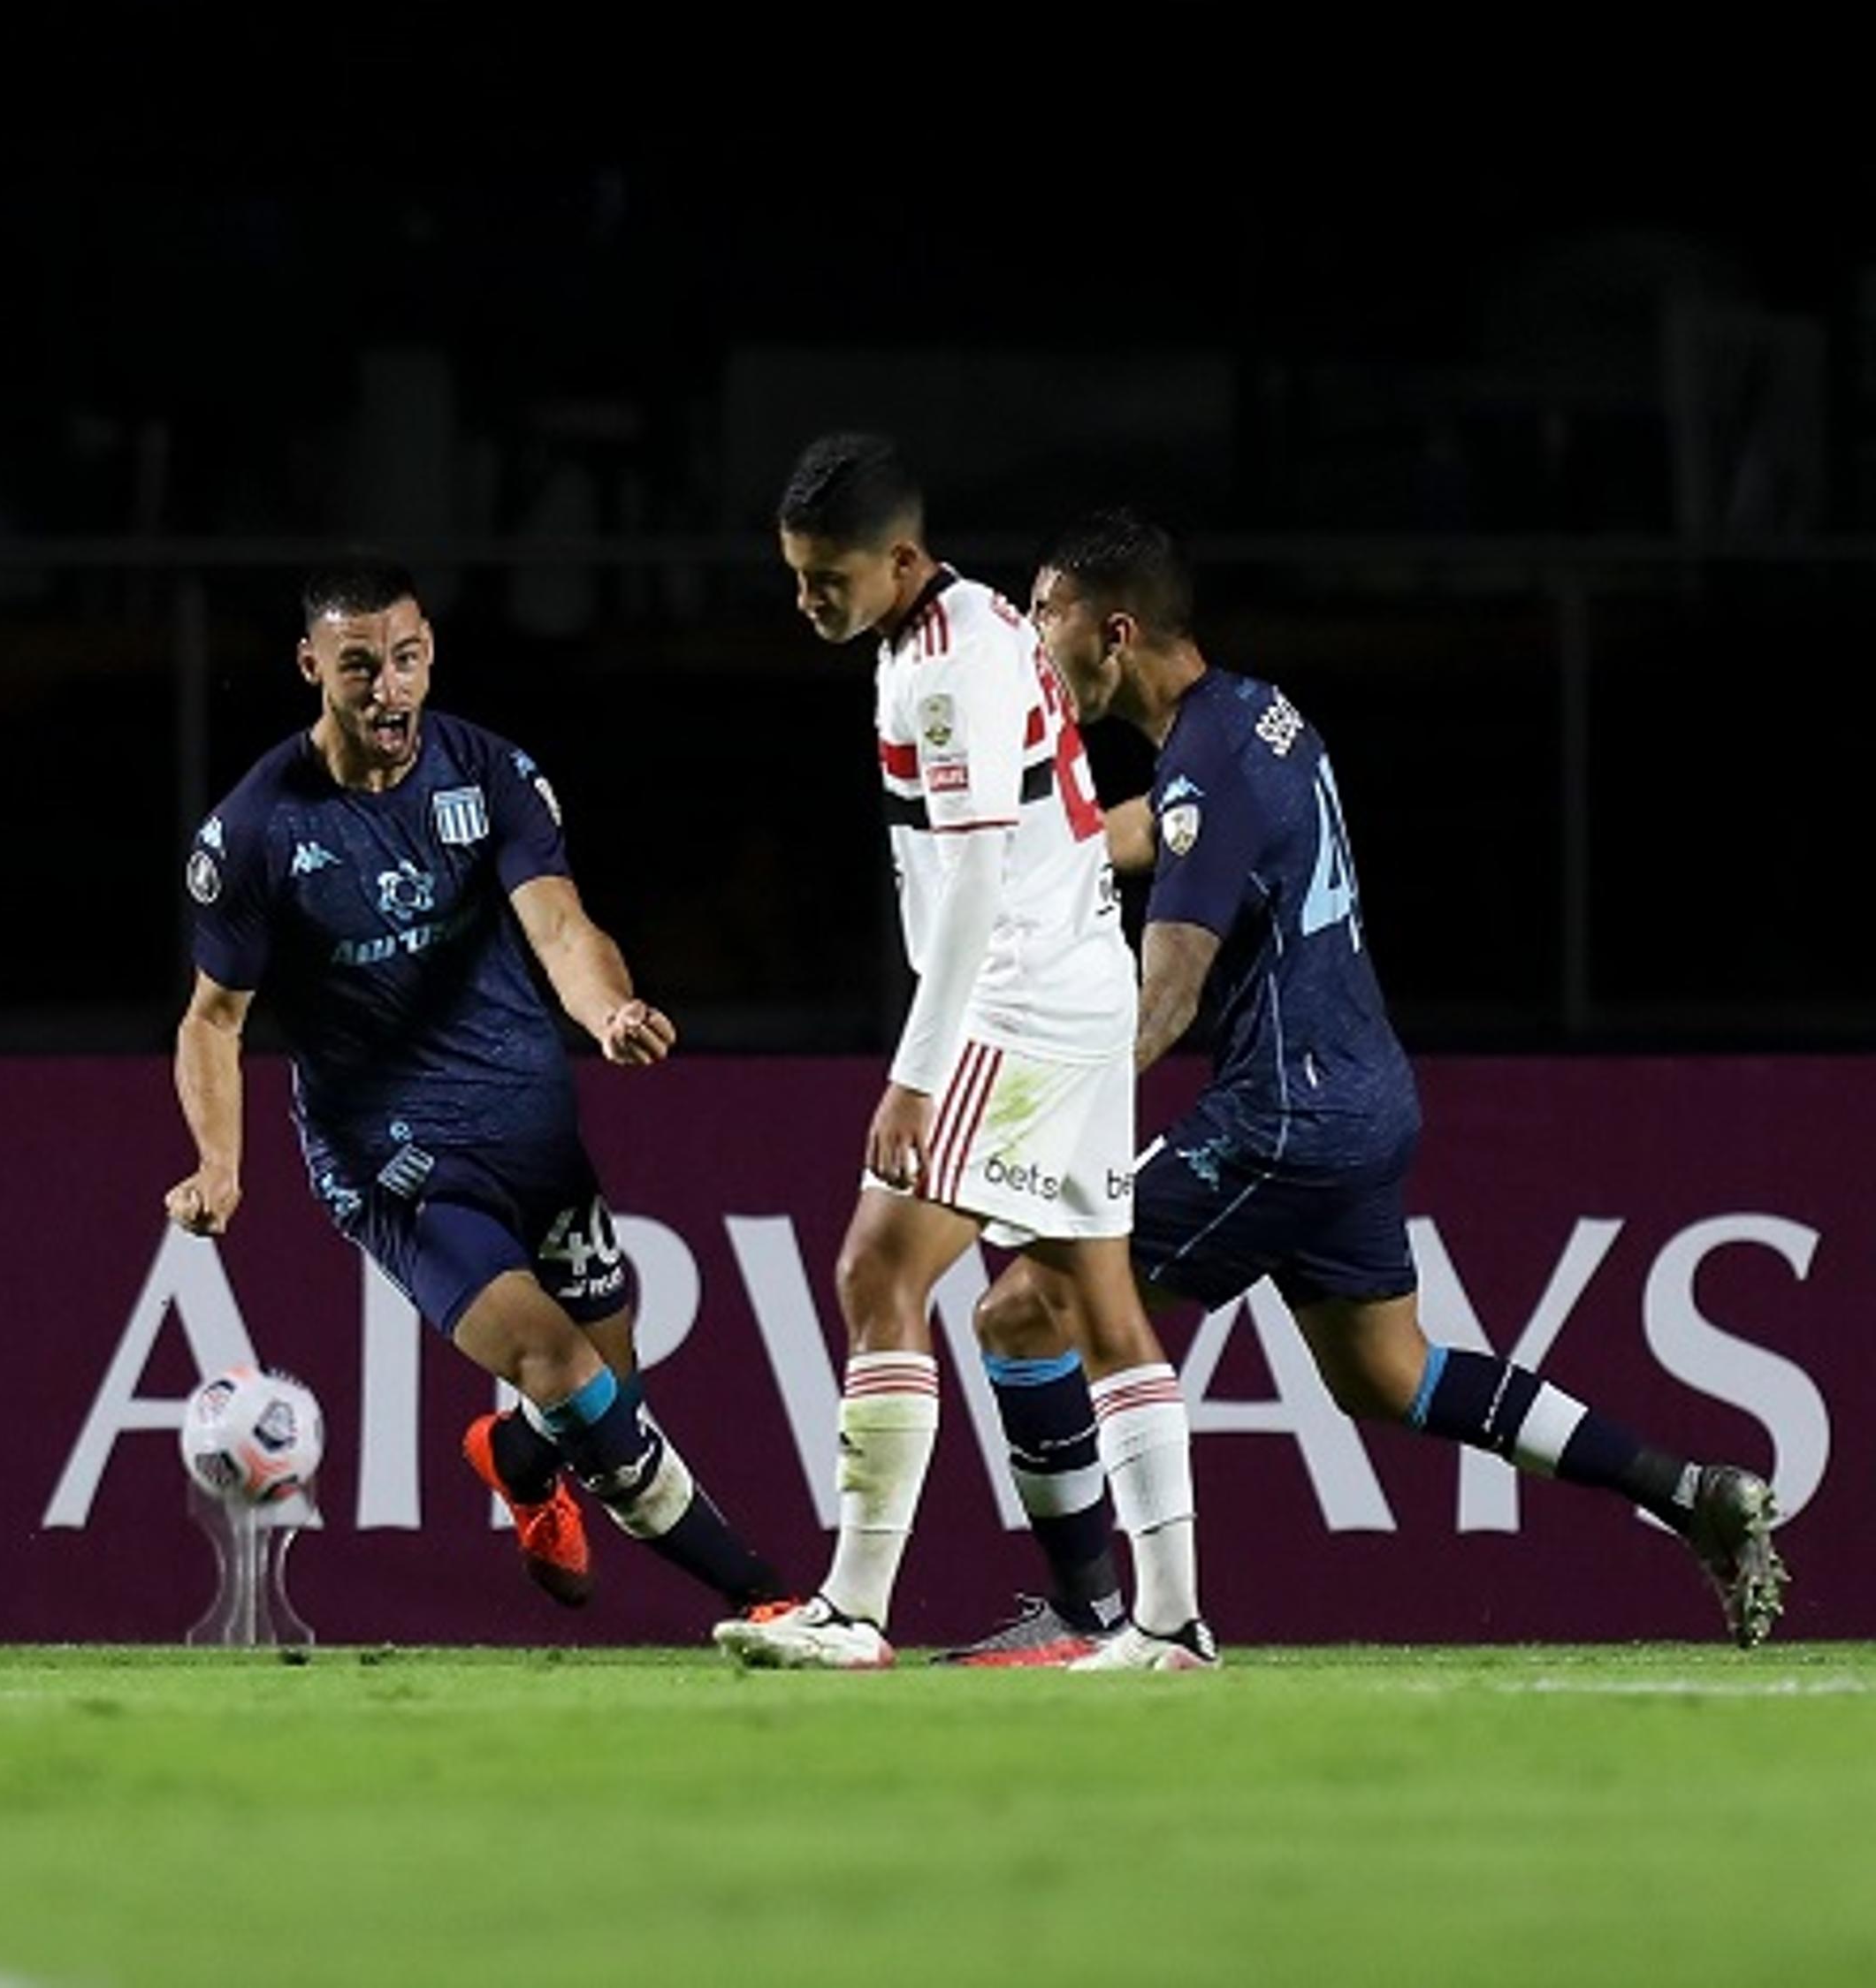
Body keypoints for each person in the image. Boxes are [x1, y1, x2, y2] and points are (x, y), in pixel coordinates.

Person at [959, 505, 1786, 1652]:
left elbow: (1164, 999)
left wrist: (1030, 1121)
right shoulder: (1258, 716)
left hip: (1280, 1114)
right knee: (1388, 1374)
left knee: (1021, 1306)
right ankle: (1692, 1488)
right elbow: (1185, 825)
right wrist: (1057, 849)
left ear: (1114, 628)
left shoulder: (1209, 761)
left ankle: (1094, 1610)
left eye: (1042, 619)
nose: (1033, 652)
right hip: (1361, 1096)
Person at [164, 556, 786, 1624]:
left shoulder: (490, 774)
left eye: (405, 660)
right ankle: (766, 1593)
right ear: (312, 665)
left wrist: (608, 1014)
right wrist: (221, 1165)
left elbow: (558, 923)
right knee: (560, 1364)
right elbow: (213, 1018)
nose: (387, 688)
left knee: (609, 1384)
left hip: (531, 1127)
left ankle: (514, 1458)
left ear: (430, 653)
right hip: (392, 1157)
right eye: (359, 666)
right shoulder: (256, 831)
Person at [720, 432, 1216, 1673]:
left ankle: (855, 1604)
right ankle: (1171, 1618)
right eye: (794, 575)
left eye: (825, 578)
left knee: (876, 1266)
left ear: (899, 558)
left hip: (1020, 1000)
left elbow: (978, 884)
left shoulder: (944, 673)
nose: (806, 601)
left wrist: (915, 1072)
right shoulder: (967, 625)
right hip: (1075, 985)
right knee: (1098, 1304)